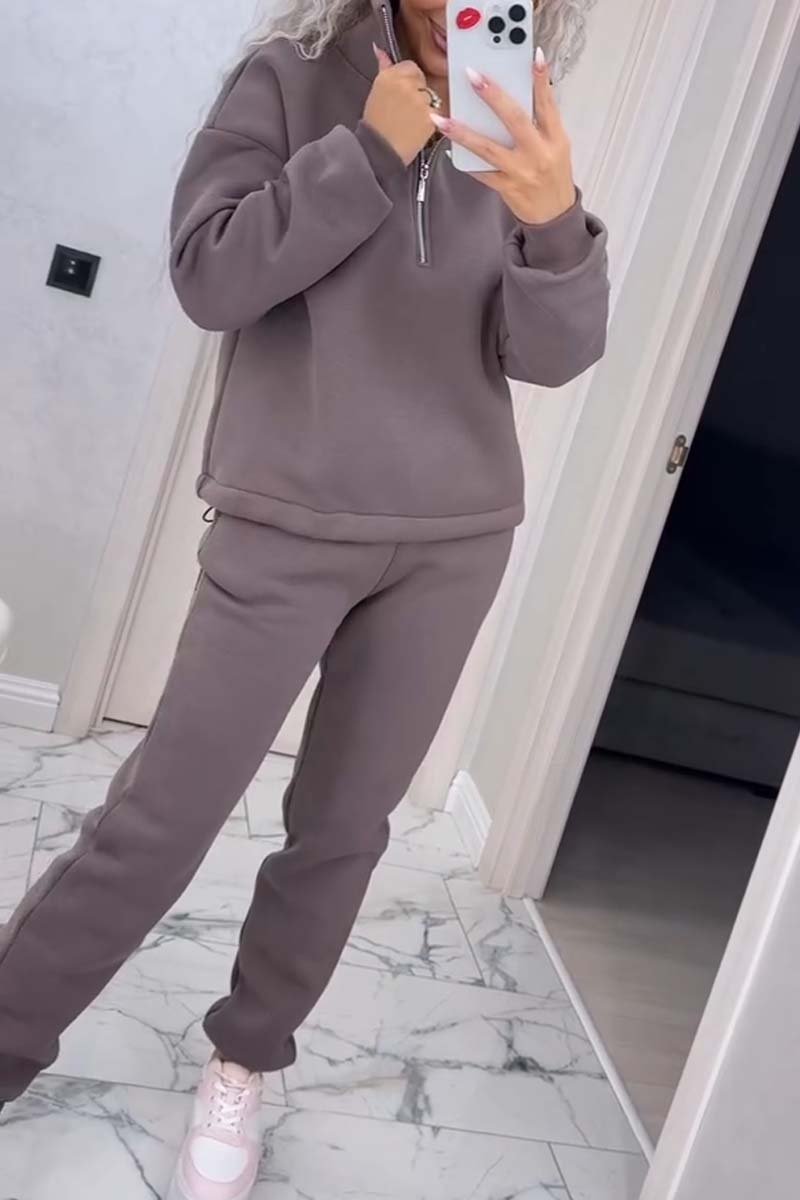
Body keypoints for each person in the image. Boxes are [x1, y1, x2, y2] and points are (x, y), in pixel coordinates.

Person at [0, 0, 609, 1195]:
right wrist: (370, 148)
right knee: (160, 818)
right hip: (282, 523)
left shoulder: (515, 109)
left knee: (339, 834)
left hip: (449, 545)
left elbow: (548, 357)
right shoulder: (287, 77)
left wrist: (553, 221)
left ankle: (245, 1060)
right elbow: (210, 277)